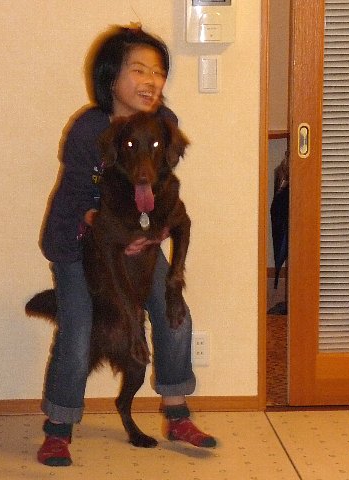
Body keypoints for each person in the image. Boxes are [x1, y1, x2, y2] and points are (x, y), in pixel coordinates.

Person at [37, 24, 216, 467]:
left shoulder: (164, 124)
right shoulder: (88, 130)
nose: (151, 80)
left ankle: (177, 414)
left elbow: (163, 186)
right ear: (110, 78)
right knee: (78, 332)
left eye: (158, 71)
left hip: (138, 243)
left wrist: (156, 232)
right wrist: (114, 230)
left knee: (175, 318)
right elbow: (78, 200)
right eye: (139, 70)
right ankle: (59, 428)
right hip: (78, 244)